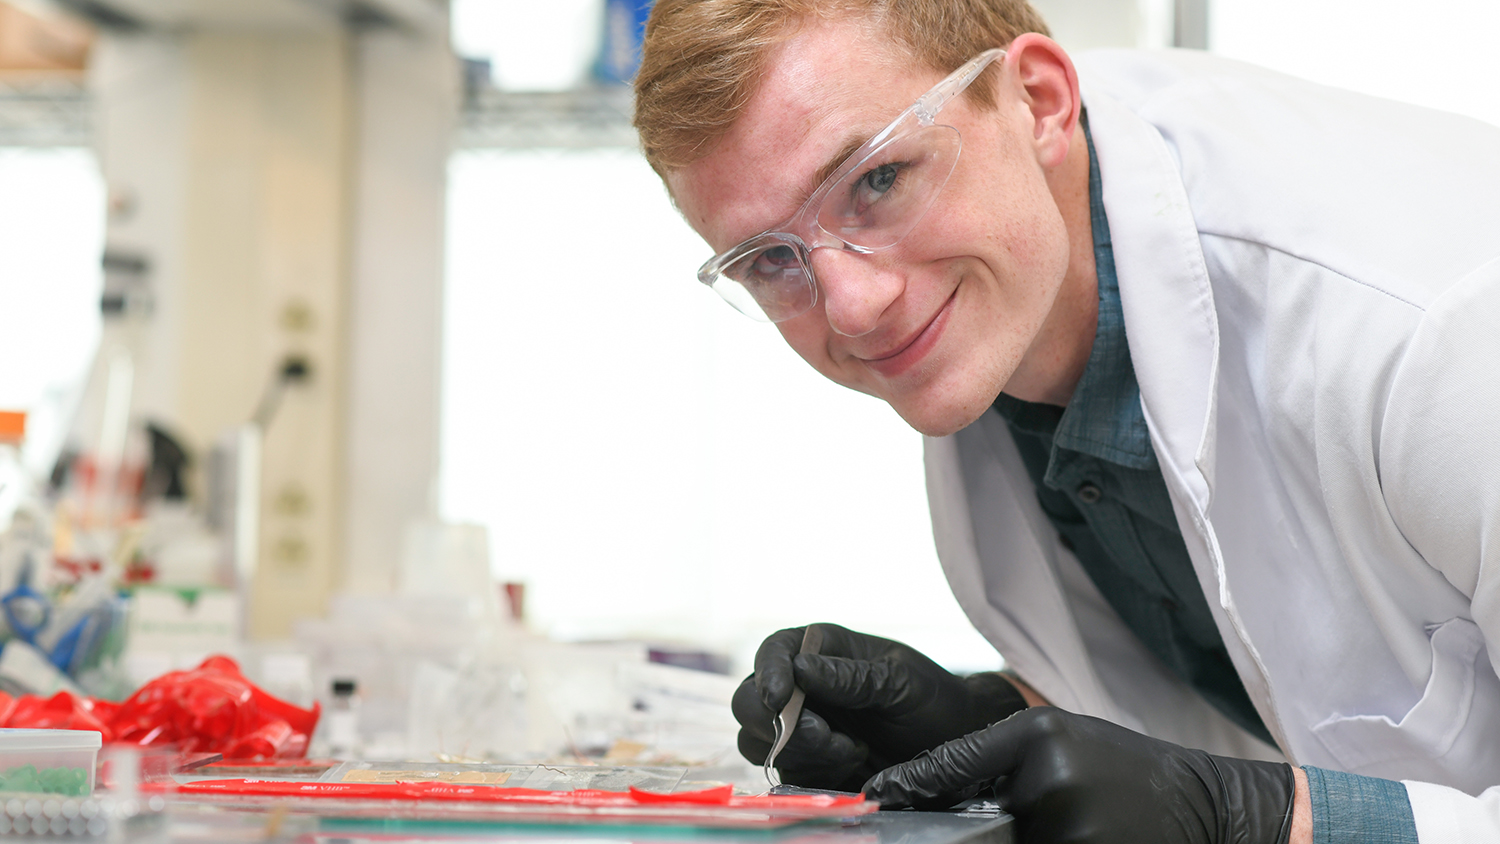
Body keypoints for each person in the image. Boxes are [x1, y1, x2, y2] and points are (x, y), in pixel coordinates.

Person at [632, 0, 1500, 841]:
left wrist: (1256, 822)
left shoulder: (1436, 322)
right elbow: (1255, 674)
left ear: (1040, 101)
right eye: (773, 260)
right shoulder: (1008, 303)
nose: (854, 308)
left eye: (879, 180)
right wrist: (991, 722)